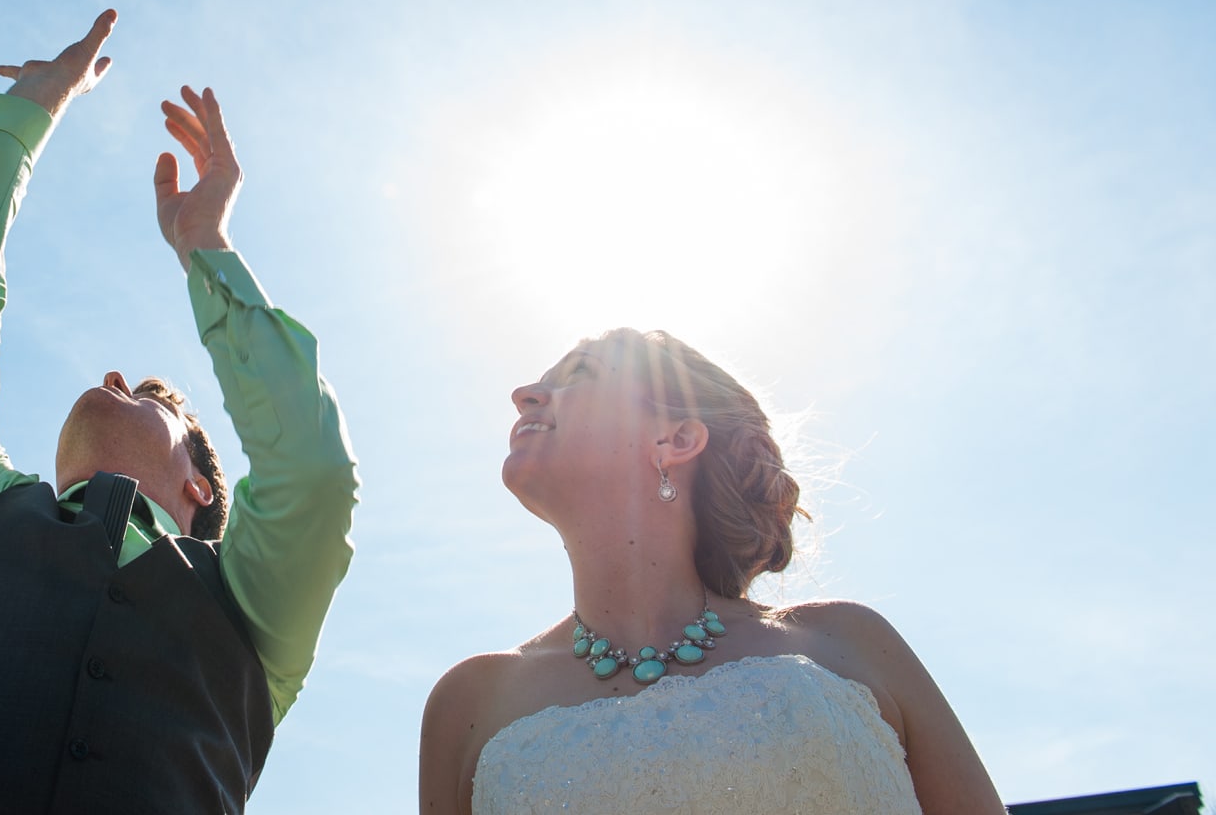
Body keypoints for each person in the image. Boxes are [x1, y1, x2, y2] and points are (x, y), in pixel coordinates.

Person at [0, 10, 358, 815]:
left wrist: (203, 241)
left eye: (147, 395)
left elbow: (310, 471)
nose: (113, 375)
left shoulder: (257, 609)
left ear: (201, 489)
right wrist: (21, 119)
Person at [419, 328, 1006, 815]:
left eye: (579, 375)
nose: (525, 394)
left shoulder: (847, 643)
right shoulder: (469, 703)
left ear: (677, 438)